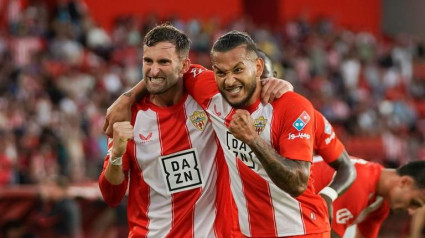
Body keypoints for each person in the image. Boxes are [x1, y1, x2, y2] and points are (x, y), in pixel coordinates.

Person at [98, 24, 289, 237]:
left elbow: (243, 87)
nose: (153, 70)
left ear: (184, 66)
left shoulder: (205, 96)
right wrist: (117, 155)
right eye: (147, 61)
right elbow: (111, 196)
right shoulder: (129, 117)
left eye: (163, 62)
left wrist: (276, 86)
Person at [257, 49, 356, 222]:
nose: (259, 86)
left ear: (275, 76)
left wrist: (328, 195)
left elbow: (347, 167)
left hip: (294, 221)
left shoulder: (305, 114)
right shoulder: (225, 111)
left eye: (264, 79)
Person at [313, 157, 425, 238]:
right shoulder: (359, 182)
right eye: (414, 202)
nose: (411, 211)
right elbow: (327, 234)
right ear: (405, 182)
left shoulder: (381, 203)